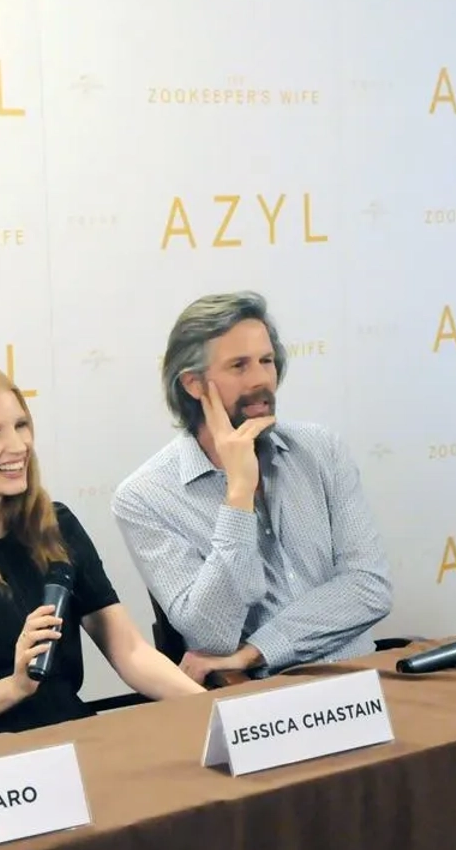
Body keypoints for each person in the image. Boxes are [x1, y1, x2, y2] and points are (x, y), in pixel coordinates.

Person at [0, 364, 202, 738]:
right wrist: (16, 686)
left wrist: (207, 704)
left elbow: (129, 651)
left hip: (75, 737)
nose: (17, 446)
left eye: (21, 426)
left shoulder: (56, 526)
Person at [112, 292, 393, 684]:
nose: (262, 379)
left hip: (362, 677)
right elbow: (210, 634)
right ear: (194, 384)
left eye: (266, 361)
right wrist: (238, 496)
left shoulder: (321, 449)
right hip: (261, 693)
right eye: (239, 366)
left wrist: (255, 650)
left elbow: (369, 587)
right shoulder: (145, 497)